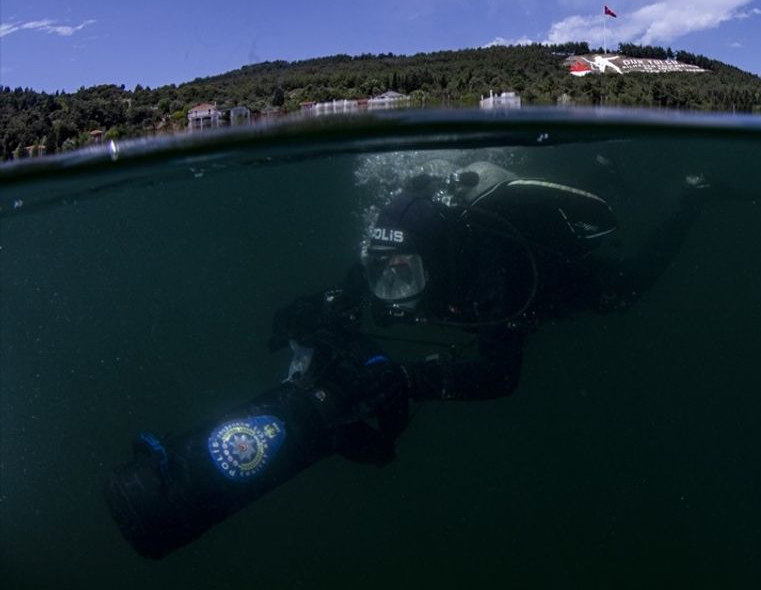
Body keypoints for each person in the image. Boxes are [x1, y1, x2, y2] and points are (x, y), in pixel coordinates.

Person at [105, 157, 721, 558]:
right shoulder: (398, 256)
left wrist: (407, 379)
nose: (390, 290)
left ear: (439, 257)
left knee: (626, 291)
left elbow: (500, 374)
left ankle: (693, 191)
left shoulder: (491, 269)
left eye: (403, 275)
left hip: (554, 281)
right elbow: (363, 281)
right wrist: (323, 312)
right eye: (385, 273)